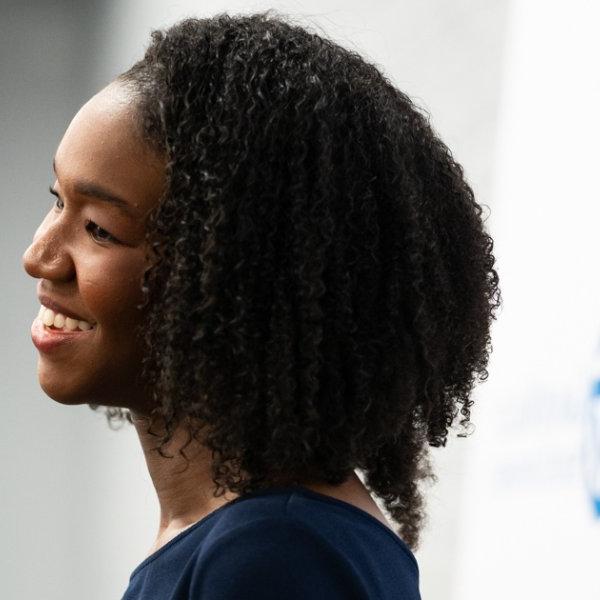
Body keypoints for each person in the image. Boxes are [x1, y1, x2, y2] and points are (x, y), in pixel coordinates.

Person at [22, 10, 501, 600]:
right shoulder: (254, 541)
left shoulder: (270, 556)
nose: (39, 255)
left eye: (99, 228)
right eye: (56, 199)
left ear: (233, 270)